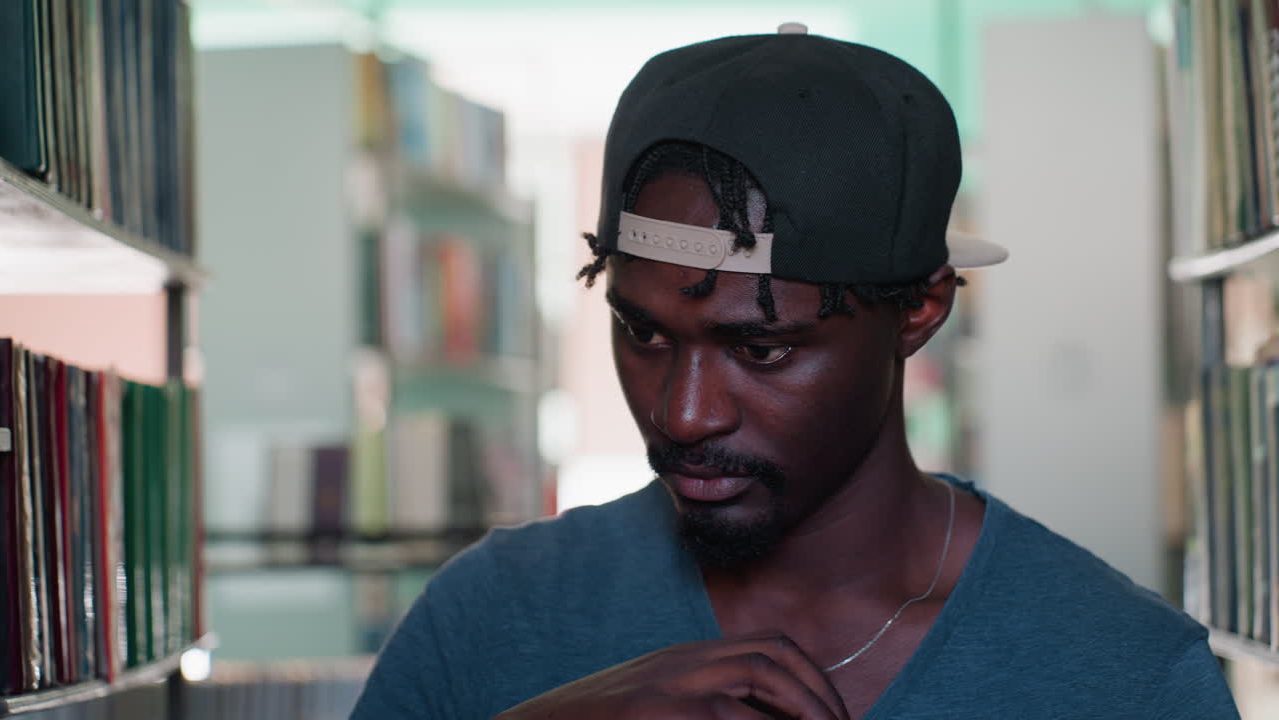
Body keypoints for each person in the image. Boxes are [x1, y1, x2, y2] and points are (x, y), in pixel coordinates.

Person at [350, 24, 1240, 719]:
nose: (684, 415)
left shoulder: (1123, 674)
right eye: (644, 332)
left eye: (761, 348)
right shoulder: (494, 614)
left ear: (920, 311)